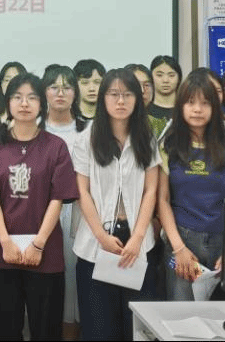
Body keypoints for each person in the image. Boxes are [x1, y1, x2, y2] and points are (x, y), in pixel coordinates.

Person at [0, 73, 79, 341]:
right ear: (7, 103)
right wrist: (5, 242)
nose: (24, 103)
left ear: (41, 104)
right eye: (17, 97)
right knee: (4, 330)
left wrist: (38, 245)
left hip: (45, 252)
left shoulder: (55, 146)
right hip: (3, 251)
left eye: (32, 97)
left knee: (46, 329)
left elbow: (58, 198)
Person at [72, 68, 159, 340]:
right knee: (100, 330)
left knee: (137, 329)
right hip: (96, 244)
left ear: (138, 99)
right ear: (103, 98)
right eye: (113, 94)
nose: (121, 101)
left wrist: (138, 237)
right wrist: (101, 236)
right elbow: (82, 191)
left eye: (128, 94)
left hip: (137, 243)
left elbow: (151, 190)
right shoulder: (86, 139)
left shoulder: (147, 137)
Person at [157, 73, 225, 301]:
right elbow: (162, 200)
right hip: (182, 242)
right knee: (182, 311)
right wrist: (179, 248)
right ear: (180, 106)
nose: (197, 109)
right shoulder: (168, 146)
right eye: (190, 102)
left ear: (215, 107)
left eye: (205, 103)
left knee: (221, 312)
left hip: (222, 243)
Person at [40, 65, 87, 340]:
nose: (60, 93)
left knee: (72, 286)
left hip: (79, 215)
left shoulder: (88, 130)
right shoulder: (33, 128)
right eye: (53, 87)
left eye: (67, 87)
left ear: (75, 93)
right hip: (38, 215)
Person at [147, 55, 182, 137]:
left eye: (171, 75)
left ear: (179, 78)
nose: (165, 80)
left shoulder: (185, 111)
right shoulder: (143, 112)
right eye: (159, 75)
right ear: (150, 78)